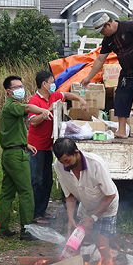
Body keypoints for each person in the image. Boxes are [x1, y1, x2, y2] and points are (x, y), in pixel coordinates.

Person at [80, 14, 133, 139]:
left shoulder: (129, 26)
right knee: (121, 100)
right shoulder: (108, 40)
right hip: (126, 74)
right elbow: (100, 59)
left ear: (108, 24)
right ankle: (121, 130)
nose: (102, 33)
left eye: (102, 30)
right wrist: (89, 77)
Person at [27, 70, 88, 223]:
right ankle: (34, 214)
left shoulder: (54, 96)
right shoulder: (34, 101)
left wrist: (80, 99)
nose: (54, 84)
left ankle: (42, 210)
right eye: (52, 81)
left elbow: (66, 95)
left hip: (49, 146)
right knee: (37, 180)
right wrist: (47, 111)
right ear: (44, 84)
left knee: (47, 180)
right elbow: (33, 122)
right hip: (36, 147)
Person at [0, 75, 53, 240]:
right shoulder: (11, 106)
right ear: (8, 91)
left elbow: (13, 131)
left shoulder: (11, 107)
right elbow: (28, 108)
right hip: (15, 156)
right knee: (26, 192)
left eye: (21, 86)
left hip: (11, 151)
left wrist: (26, 144)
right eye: (16, 87)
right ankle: (27, 230)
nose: (20, 89)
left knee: (7, 192)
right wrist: (43, 110)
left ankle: (2, 228)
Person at [52, 138, 119, 265]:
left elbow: (110, 195)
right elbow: (69, 195)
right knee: (74, 242)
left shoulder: (96, 164)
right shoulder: (59, 165)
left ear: (76, 153)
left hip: (107, 205)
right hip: (86, 205)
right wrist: (70, 218)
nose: (65, 165)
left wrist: (93, 218)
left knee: (101, 244)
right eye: (62, 162)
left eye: (67, 161)